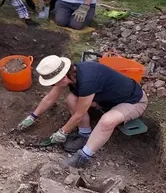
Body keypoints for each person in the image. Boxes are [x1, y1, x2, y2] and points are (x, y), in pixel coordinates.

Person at [15, 55, 148, 168]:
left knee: (107, 121)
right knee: (71, 99)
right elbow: (50, 98)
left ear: (63, 78)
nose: (52, 86)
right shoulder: (71, 75)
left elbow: (78, 115)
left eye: (53, 83)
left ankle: (82, 157)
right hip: (105, 100)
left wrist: (62, 132)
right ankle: (85, 135)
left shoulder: (87, 81)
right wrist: (32, 116)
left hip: (132, 101)